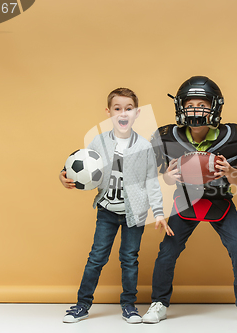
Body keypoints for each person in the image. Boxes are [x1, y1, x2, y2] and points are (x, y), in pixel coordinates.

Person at [142, 76, 237, 324]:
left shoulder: (234, 137)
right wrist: (168, 175)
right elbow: (163, 180)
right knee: (167, 252)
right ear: (181, 107)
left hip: (220, 200)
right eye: (190, 104)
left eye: (203, 104)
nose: (196, 109)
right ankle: (159, 302)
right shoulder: (167, 138)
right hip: (185, 200)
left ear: (215, 107)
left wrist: (230, 172)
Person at [59, 87, 173, 324]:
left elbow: (152, 182)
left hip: (135, 214)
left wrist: (159, 213)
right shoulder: (98, 141)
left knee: (129, 258)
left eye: (128, 109)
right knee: (97, 257)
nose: (123, 113)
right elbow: (81, 166)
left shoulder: (144, 147)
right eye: (117, 108)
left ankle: (129, 306)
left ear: (136, 113)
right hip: (107, 211)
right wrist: (64, 175)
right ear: (108, 112)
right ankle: (82, 305)